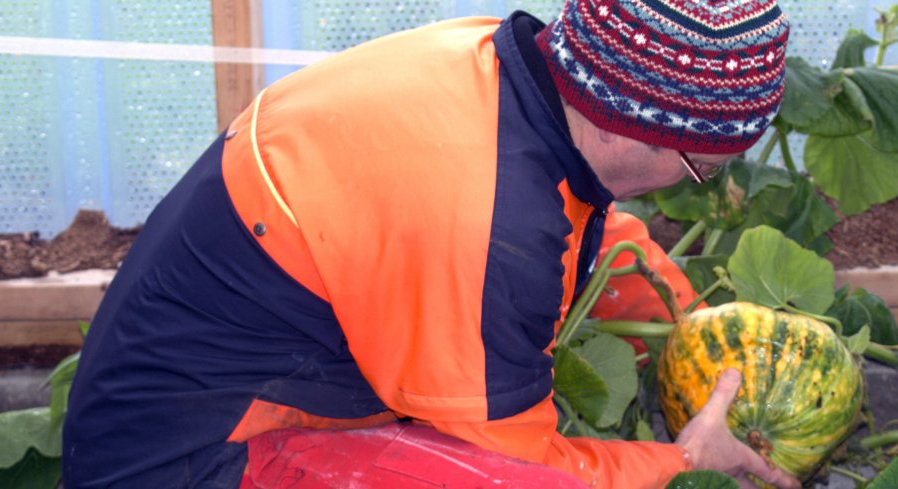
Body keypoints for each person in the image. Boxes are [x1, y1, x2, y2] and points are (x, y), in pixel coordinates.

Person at [62, 0, 794, 487]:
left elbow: (585, 226)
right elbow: (521, 461)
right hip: (189, 463)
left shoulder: (500, 74)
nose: (695, 185)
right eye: (700, 166)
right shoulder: (487, 216)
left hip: (190, 395)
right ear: (629, 124)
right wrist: (684, 458)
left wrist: (699, 333)